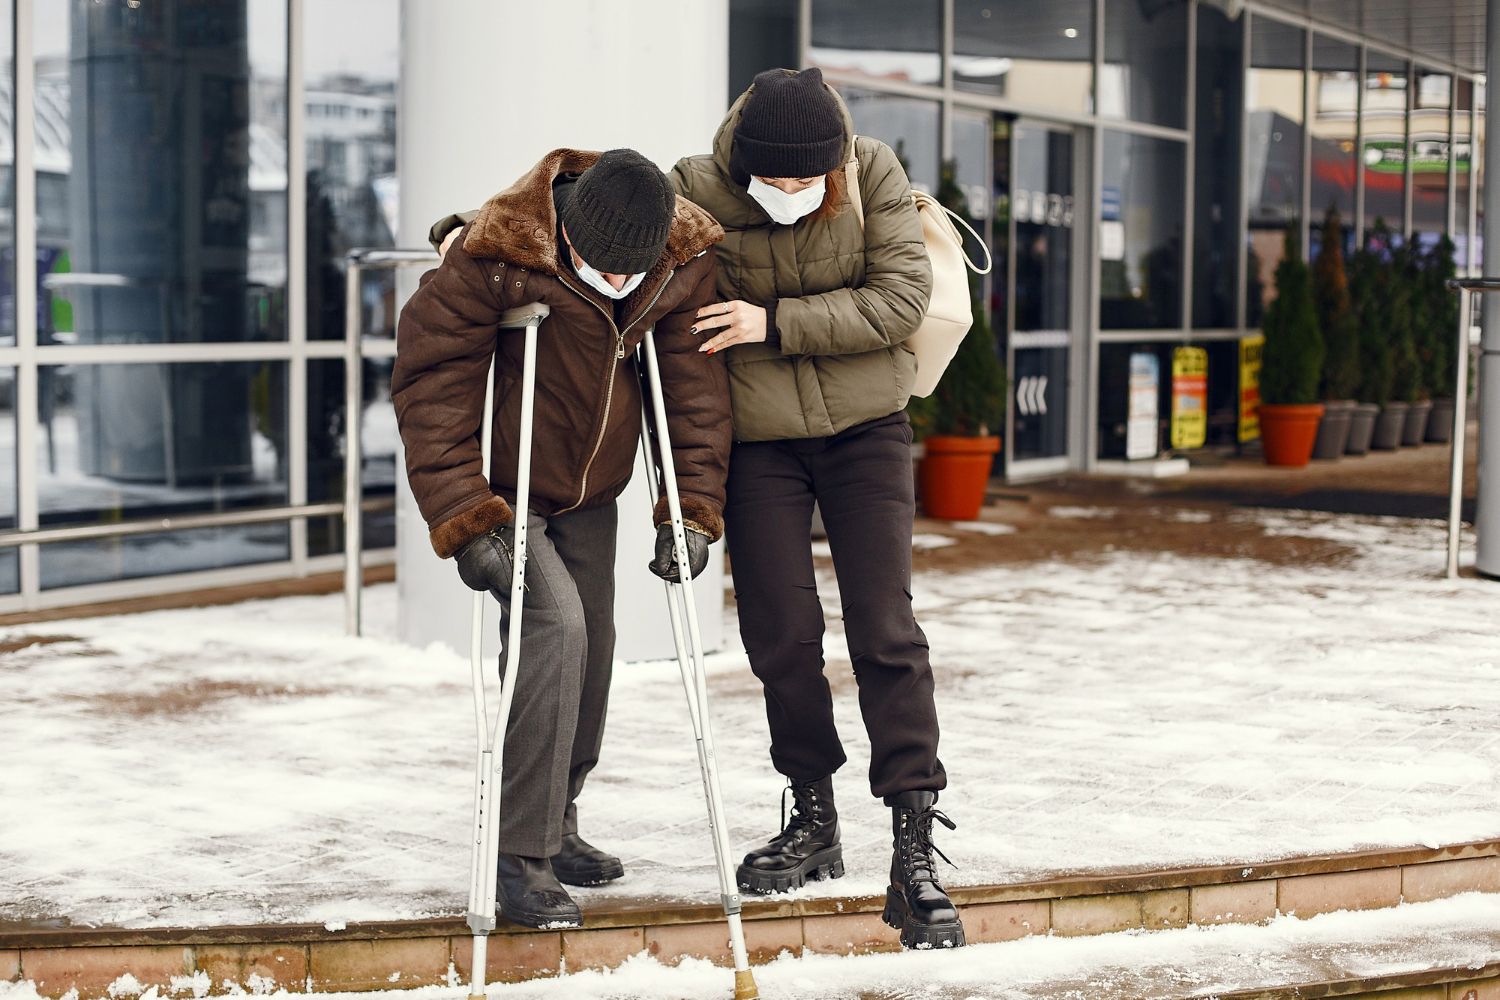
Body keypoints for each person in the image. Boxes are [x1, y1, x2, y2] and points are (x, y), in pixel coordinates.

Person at [431, 68, 960, 950]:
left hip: (865, 429)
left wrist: (770, 325)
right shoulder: (697, 188)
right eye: (774, 177)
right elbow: (601, 202)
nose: (790, 191)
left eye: (807, 178)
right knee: (780, 636)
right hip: (755, 445)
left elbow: (899, 300)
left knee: (885, 629)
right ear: (742, 160)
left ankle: (913, 841)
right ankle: (813, 815)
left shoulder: (869, 170)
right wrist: (475, 231)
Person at [394, 148, 731, 929]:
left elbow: (693, 393)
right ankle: (519, 856)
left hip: (593, 495)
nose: (617, 282)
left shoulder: (679, 262)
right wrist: (464, 513)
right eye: (601, 268)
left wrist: (691, 509)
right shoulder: (497, 255)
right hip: (506, 494)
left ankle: (557, 817)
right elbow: (432, 384)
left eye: (629, 273)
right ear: (570, 233)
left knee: (595, 647)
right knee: (556, 626)